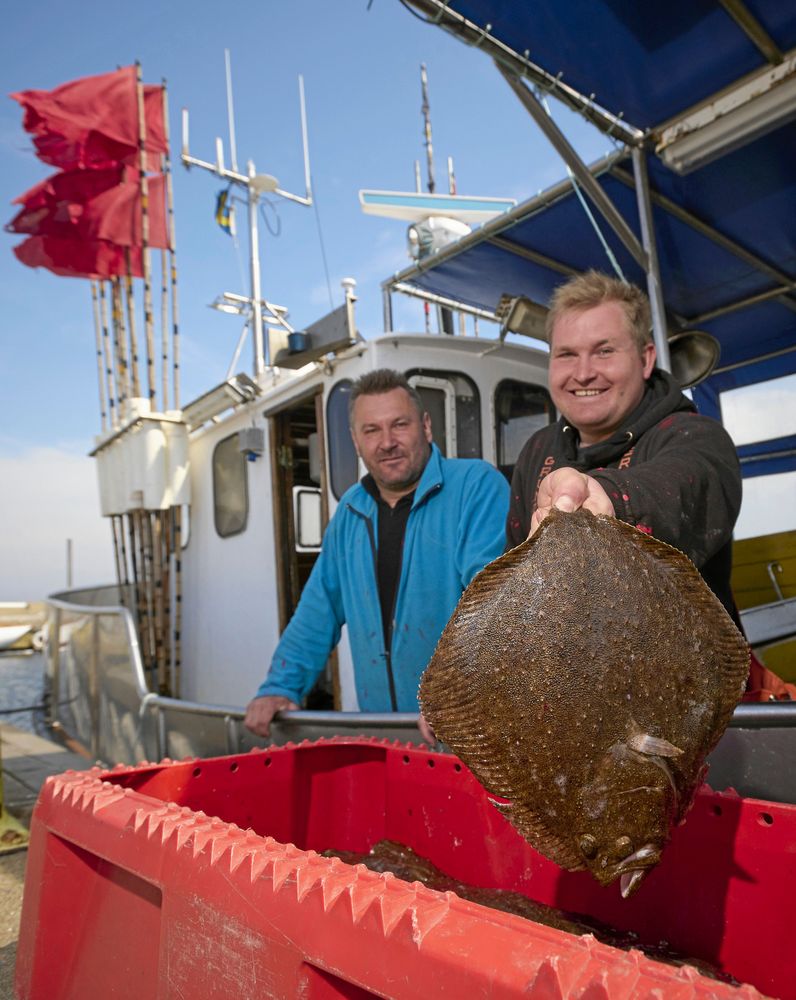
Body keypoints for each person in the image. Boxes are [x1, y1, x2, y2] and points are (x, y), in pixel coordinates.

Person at [245, 368, 510, 740]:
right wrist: (279, 686)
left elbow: (494, 606)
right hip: (384, 733)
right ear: (356, 441)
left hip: (465, 730)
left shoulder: (476, 486)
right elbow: (317, 611)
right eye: (372, 430)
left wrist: (453, 695)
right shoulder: (350, 512)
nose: (387, 442)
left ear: (426, 427)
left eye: (399, 425)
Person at [507, 270, 742, 619]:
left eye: (604, 351)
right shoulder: (538, 449)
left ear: (646, 358)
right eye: (567, 354)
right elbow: (513, 573)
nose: (583, 373)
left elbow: (688, 485)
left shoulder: (697, 437)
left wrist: (608, 501)